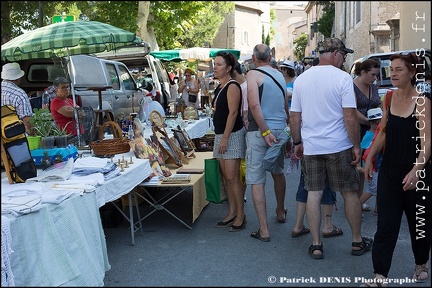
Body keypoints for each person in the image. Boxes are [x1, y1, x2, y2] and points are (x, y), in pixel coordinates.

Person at [290, 37, 373, 259]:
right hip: (338, 145)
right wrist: (356, 146)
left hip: (312, 146)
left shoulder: (302, 79)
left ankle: (316, 245)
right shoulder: (343, 78)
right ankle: (357, 242)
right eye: (344, 55)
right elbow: (349, 116)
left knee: (314, 193)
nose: (344, 59)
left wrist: (297, 142)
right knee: (349, 193)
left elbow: (295, 116)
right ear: (335, 53)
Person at [362, 52, 430, 286]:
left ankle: (421, 263)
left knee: (418, 222)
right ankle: (380, 274)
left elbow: (427, 140)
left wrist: (416, 170)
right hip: (390, 171)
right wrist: (370, 158)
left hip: (416, 174)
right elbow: (383, 131)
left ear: (412, 73)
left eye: (399, 69)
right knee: (386, 225)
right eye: (391, 69)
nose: (393, 73)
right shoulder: (389, 98)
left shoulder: (422, 101)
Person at [245, 44, 288, 242]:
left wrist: (265, 130)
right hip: (279, 129)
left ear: (254, 58)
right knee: (278, 171)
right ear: (270, 57)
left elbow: (254, 105)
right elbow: (285, 104)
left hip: (260, 131)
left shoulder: (252, 74)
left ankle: (264, 229)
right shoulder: (279, 75)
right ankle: (280, 211)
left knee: (256, 178)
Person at [212, 51, 247, 232]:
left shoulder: (233, 86)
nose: (215, 67)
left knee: (233, 178)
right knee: (227, 177)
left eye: (219, 64)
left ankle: (241, 214)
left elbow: (234, 114)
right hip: (221, 135)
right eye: (214, 64)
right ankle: (232, 211)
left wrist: (225, 138)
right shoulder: (220, 86)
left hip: (231, 136)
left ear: (229, 68)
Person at [358, 107, 383, 214]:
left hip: (378, 165)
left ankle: (379, 208)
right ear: (372, 124)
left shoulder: (379, 135)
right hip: (371, 167)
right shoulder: (369, 136)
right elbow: (361, 150)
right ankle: (356, 206)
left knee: (380, 187)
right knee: (373, 189)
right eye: (378, 123)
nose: (380, 125)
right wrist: (360, 165)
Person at [1, 62, 33, 133]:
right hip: (14, 136)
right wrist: (33, 133)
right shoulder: (20, 94)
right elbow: (27, 121)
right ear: (18, 78)